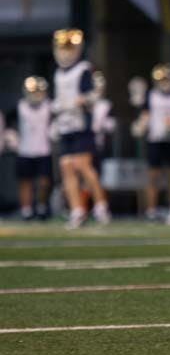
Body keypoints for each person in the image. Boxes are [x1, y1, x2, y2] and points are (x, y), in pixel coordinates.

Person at [51, 29, 109, 229]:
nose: (65, 52)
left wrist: (82, 100)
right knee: (66, 167)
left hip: (81, 124)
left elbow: (93, 95)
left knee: (83, 166)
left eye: (69, 48)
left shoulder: (83, 69)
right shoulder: (58, 72)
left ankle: (101, 206)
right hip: (65, 125)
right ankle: (77, 210)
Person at [135, 64, 170, 221]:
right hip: (155, 140)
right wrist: (141, 125)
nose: (165, 82)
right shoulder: (152, 96)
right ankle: (151, 210)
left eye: (167, 78)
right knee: (153, 177)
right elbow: (145, 115)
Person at [13, 77, 53, 221]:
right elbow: (12, 125)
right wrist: (12, 137)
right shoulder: (20, 106)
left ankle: (41, 206)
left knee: (44, 182)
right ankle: (26, 210)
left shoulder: (49, 106)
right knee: (25, 182)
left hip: (43, 150)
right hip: (25, 150)